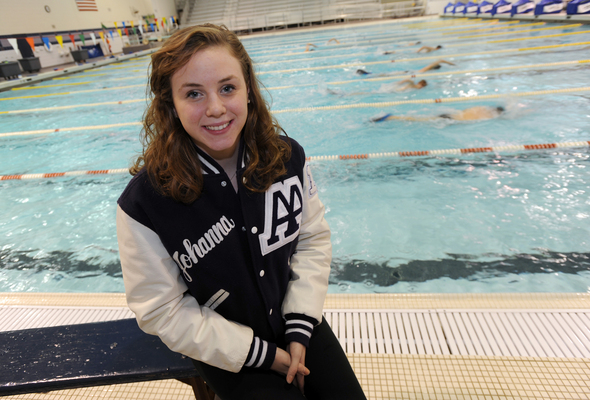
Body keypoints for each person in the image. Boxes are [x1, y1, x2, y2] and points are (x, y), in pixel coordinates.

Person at [116, 24, 367, 400]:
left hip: (294, 318)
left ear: (249, 89)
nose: (215, 108)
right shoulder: (145, 203)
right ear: (170, 104)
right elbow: (160, 310)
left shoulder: (287, 158)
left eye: (227, 88)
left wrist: (299, 330)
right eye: (194, 93)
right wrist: (262, 354)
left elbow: (312, 240)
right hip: (224, 348)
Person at [371, 105, 505, 122]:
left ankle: (395, 117)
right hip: (451, 120)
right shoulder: (488, 115)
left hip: (451, 114)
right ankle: (393, 118)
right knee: (419, 120)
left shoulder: (480, 108)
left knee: (421, 119)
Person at [356, 59, 455, 76]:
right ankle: (367, 74)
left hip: (407, 72)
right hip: (407, 73)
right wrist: (452, 64)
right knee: (385, 75)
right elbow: (439, 60)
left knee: (386, 75)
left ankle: (368, 74)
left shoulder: (425, 71)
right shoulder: (425, 70)